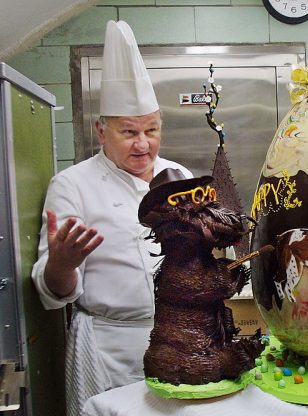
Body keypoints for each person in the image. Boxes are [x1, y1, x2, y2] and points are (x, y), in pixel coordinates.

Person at [31, 20, 191, 416]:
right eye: (129, 132)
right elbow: (52, 293)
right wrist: (62, 264)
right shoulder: (72, 185)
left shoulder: (181, 177)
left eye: (151, 130)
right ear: (101, 132)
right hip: (109, 348)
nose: (143, 144)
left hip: (182, 338)